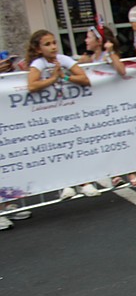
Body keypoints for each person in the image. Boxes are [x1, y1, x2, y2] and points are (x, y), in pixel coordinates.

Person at [25, 30, 95, 200]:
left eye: (54, 43)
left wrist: (64, 77)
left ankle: (84, 182)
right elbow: (32, 86)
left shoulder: (63, 59)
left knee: (75, 145)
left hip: (67, 110)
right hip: (48, 113)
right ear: (38, 49)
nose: (53, 47)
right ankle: (64, 184)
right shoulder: (38, 63)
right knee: (55, 148)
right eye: (47, 44)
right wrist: (53, 79)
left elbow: (84, 79)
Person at [77, 23, 136, 189]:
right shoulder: (87, 59)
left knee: (120, 137)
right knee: (105, 139)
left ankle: (131, 172)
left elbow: (121, 70)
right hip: (95, 106)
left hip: (113, 104)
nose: (85, 40)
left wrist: (111, 51)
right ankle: (114, 173)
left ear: (99, 41)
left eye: (89, 37)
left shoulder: (108, 55)